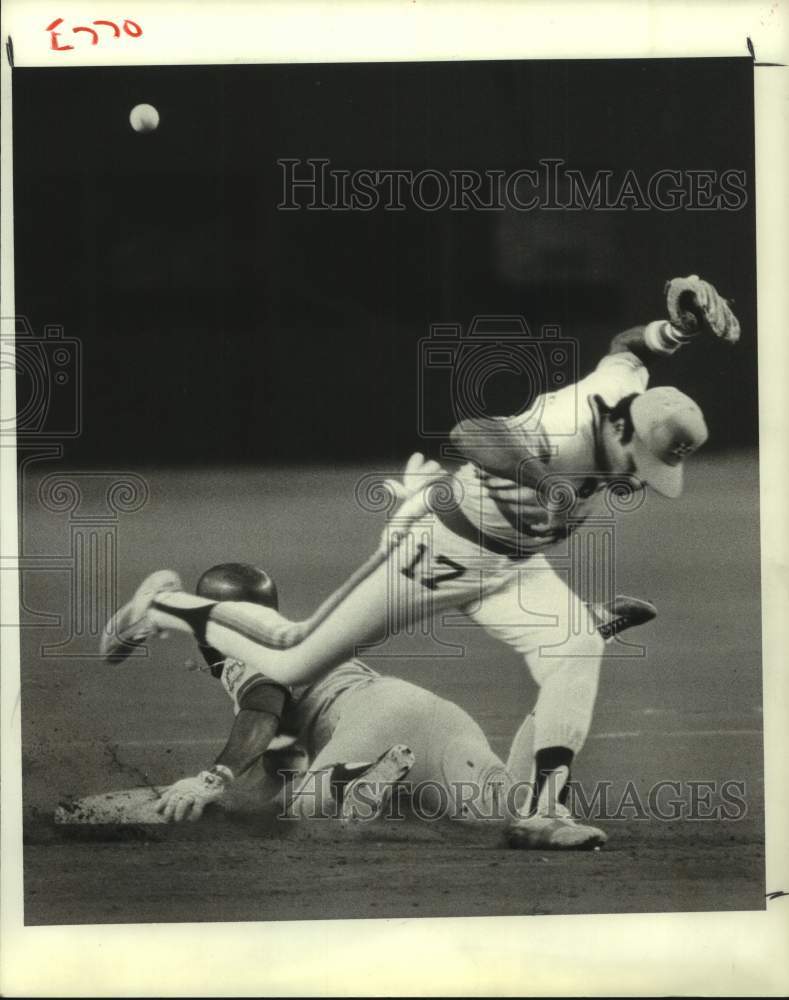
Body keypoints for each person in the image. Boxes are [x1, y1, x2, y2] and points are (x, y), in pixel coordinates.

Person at [102, 274, 739, 848]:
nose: (638, 478)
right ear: (622, 428)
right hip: (443, 552)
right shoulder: (568, 426)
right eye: (640, 462)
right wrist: (543, 480)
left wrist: (674, 329)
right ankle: (162, 606)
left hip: (513, 565)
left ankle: (544, 812)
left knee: (576, 646)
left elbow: (627, 352)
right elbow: (471, 432)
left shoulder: (623, 394)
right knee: (292, 657)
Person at [136, 563, 654, 848]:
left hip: (372, 723)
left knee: (303, 810)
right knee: (512, 811)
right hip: (430, 713)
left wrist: (212, 780)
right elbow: (275, 760)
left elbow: (261, 709)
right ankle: (576, 645)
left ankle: (354, 779)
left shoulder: (247, 654)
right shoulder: (294, 636)